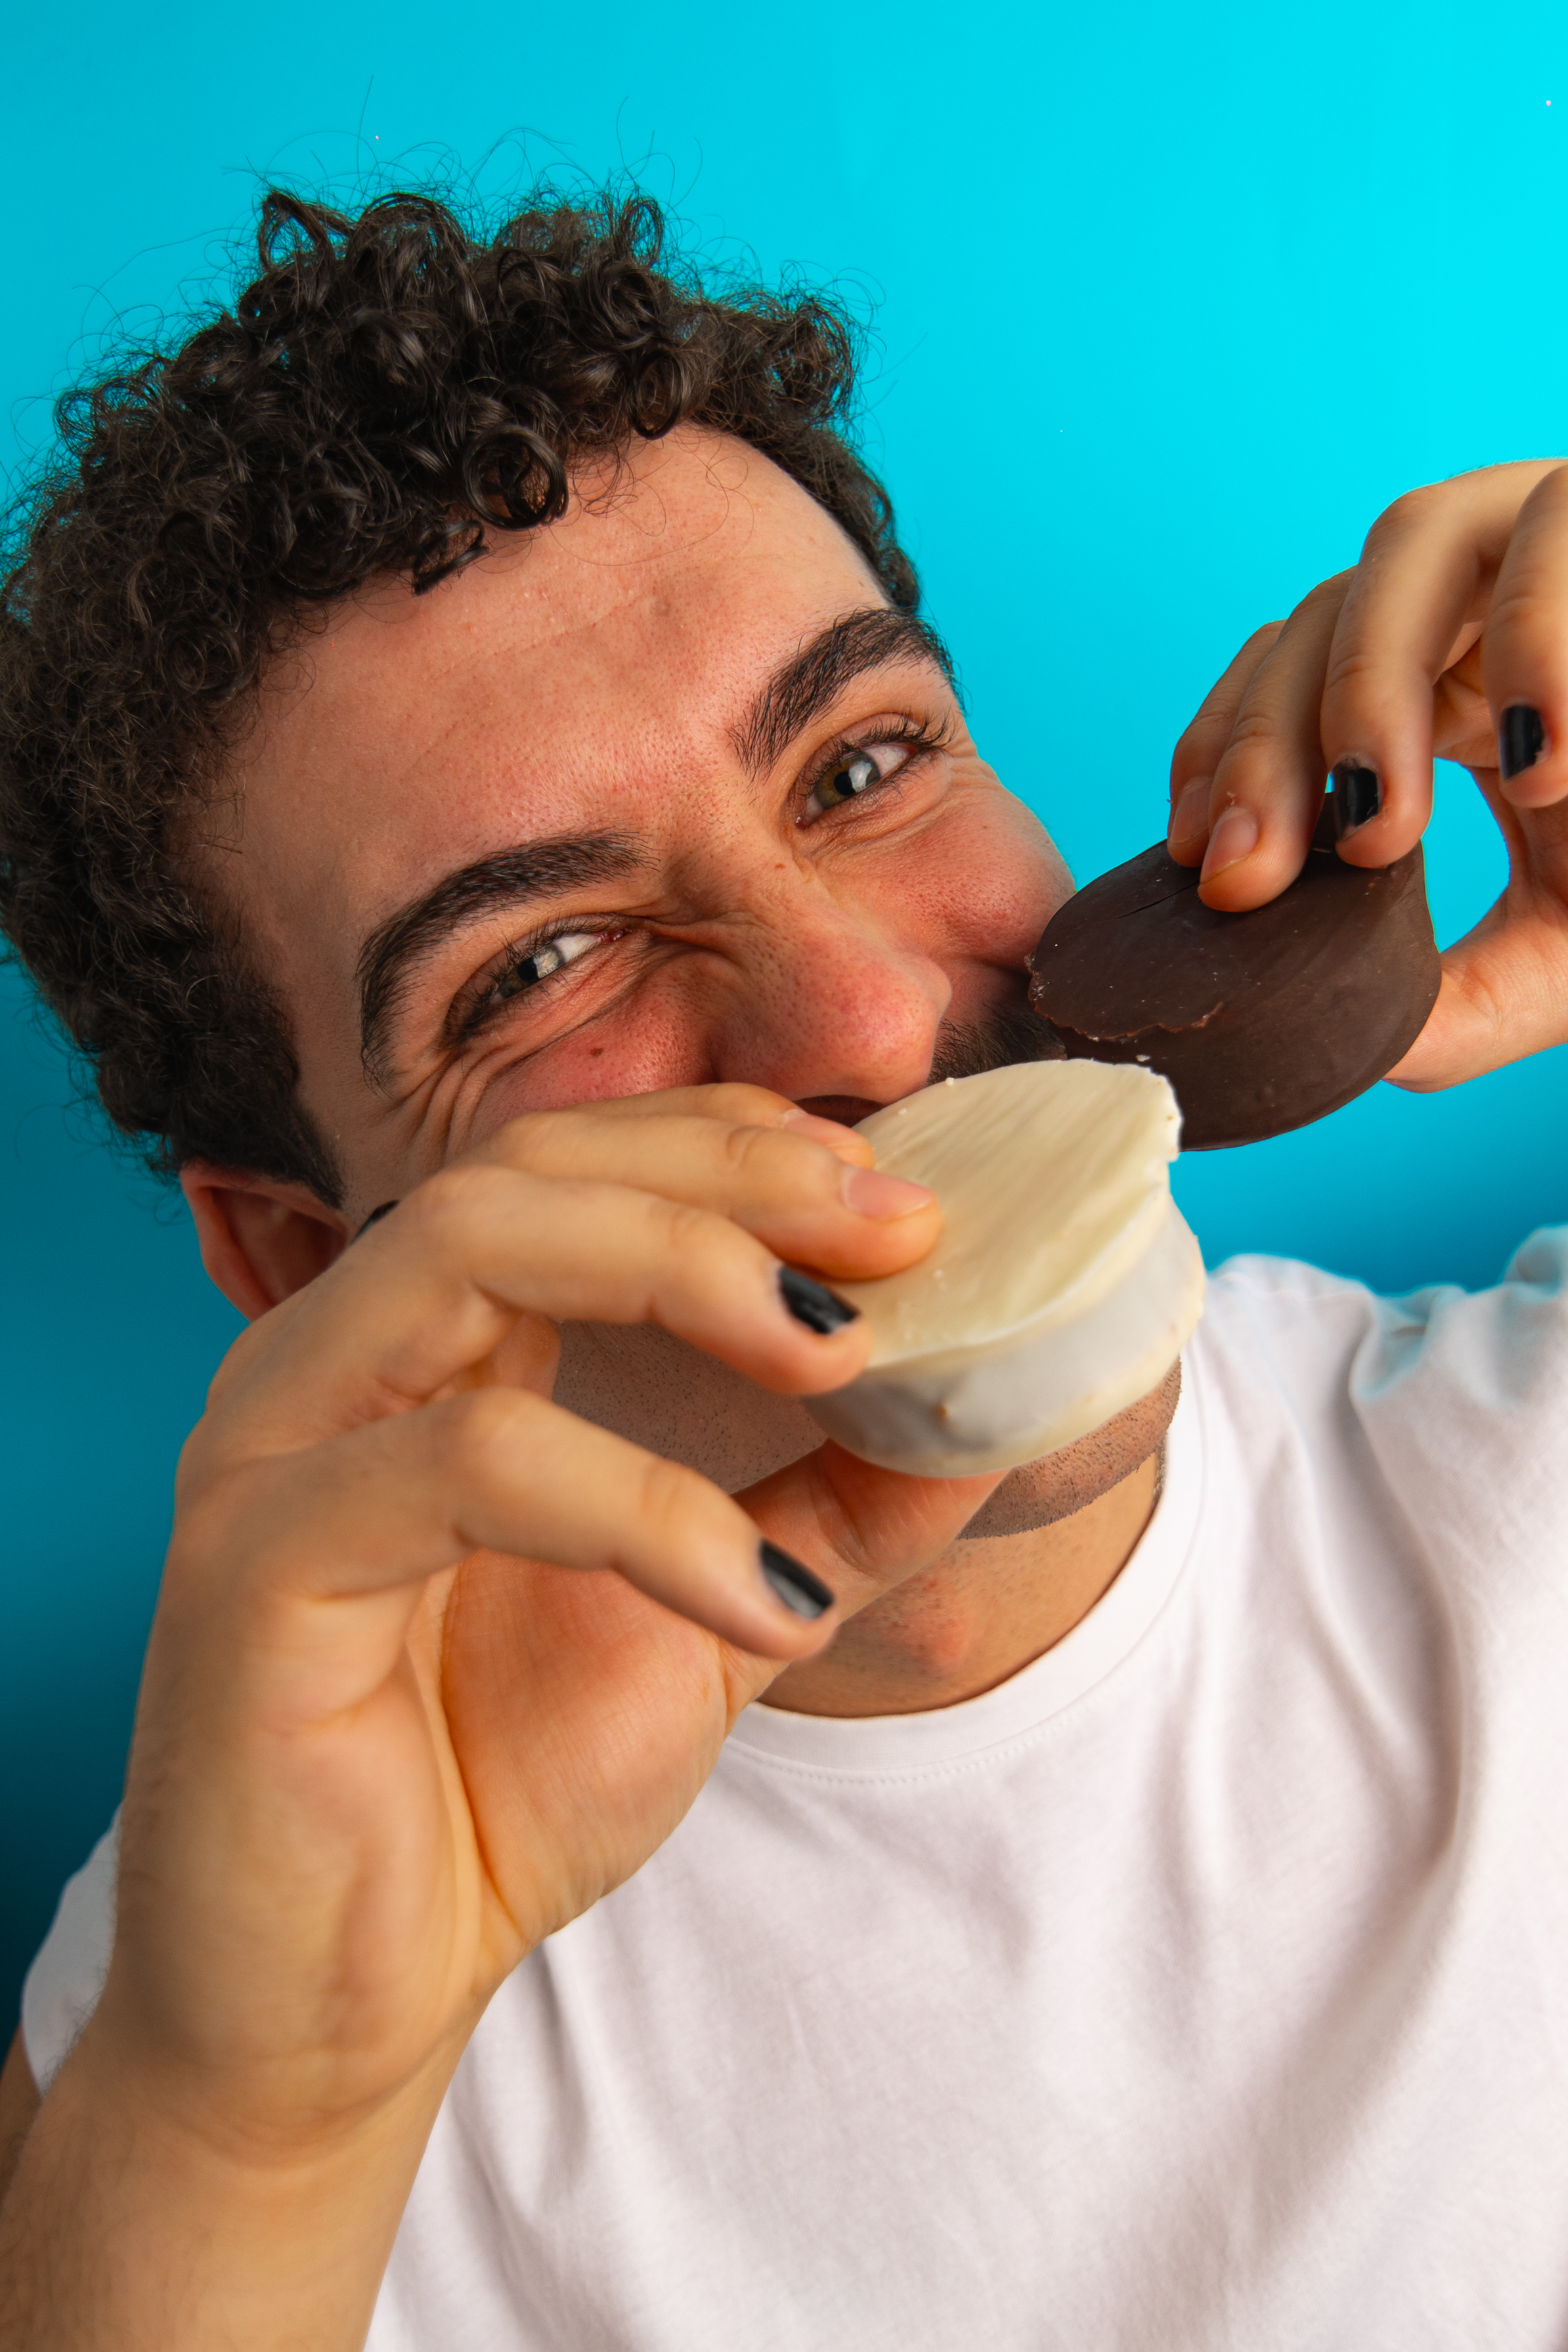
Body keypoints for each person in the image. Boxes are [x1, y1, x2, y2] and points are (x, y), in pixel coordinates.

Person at [1, 185, 1567, 2351]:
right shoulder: (240, 1958)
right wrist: (255, 2149)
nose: (863, 1020)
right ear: (297, 1258)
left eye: (866, 765)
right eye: (537, 965)